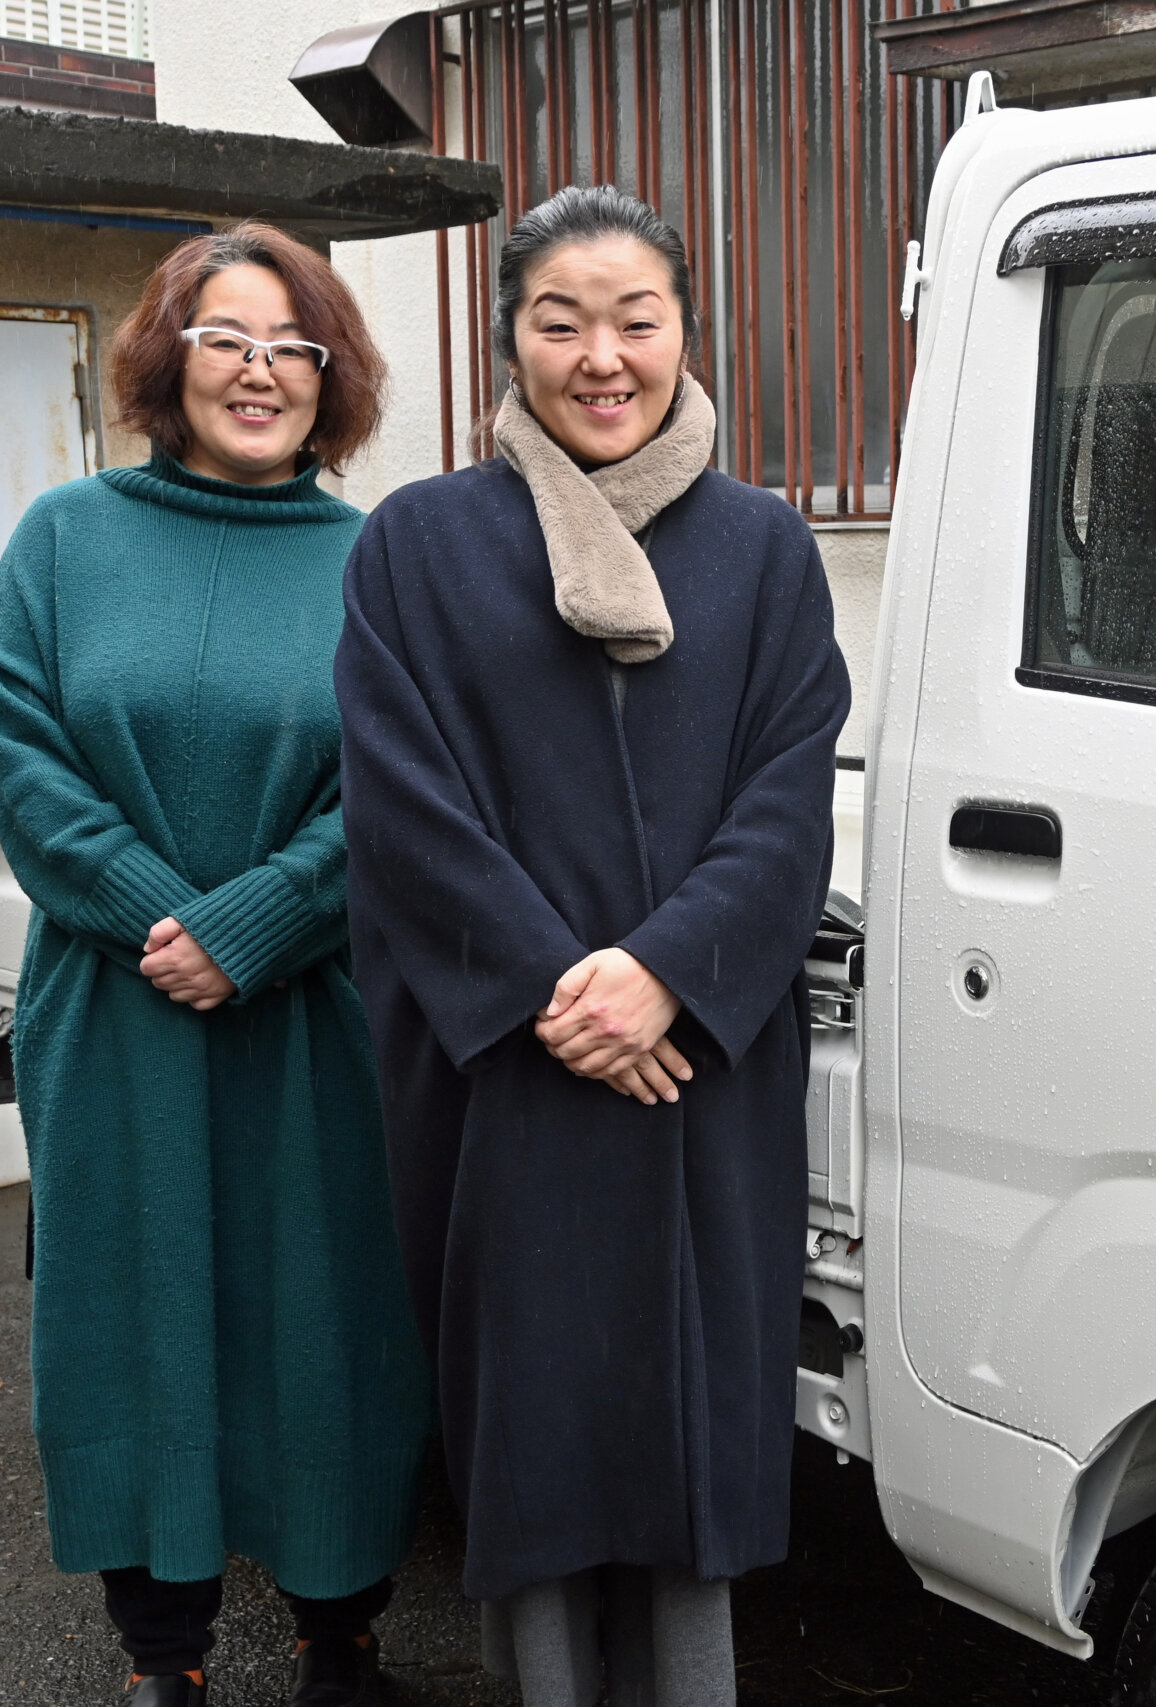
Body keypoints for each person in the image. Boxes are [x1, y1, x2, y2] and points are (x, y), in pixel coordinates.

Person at [334, 185, 850, 1706]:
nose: (602, 356)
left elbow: (789, 790)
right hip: (512, 1076)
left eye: (637, 319)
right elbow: (399, 801)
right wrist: (564, 992)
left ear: (689, 333)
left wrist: (668, 973)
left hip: (695, 1066)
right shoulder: (419, 546)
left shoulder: (763, 549)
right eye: (561, 322)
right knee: (538, 1437)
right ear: (511, 342)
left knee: (692, 1431)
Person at [0, 222, 434, 1707]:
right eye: (225, 338)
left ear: (333, 377)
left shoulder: (383, 566)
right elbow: (26, 761)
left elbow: (409, 786)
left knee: (327, 1318)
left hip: (315, 1016)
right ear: (169, 359)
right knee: (133, 1319)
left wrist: (253, 930)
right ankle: (160, 1660)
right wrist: (162, 916)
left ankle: (339, 1634)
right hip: (115, 1013)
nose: (258, 371)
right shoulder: (63, 538)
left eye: (291, 345)